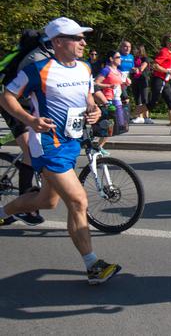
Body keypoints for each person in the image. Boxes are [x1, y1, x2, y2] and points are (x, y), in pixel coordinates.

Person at [0, 17, 121, 284]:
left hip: (71, 142)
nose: (83, 42)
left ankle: (2, 213)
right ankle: (93, 267)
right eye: (76, 38)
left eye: (82, 37)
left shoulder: (85, 69)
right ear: (58, 42)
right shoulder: (37, 70)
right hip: (47, 145)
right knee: (78, 201)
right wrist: (31, 120)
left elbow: (87, 98)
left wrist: (94, 110)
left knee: (47, 201)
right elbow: (6, 96)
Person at [0, 31, 55, 227]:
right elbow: (18, 89)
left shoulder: (53, 55)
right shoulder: (36, 58)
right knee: (30, 152)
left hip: (29, 104)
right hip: (12, 102)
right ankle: (26, 207)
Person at [129, 34, 171, 134]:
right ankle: (129, 117)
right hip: (158, 80)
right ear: (167, 42)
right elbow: (154, 65)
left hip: (164, 81)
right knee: (152, 104)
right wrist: (167, 71)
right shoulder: (164, 51)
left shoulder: (170, 53)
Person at [94, 51, 130, 156]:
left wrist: (125, 84)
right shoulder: (106, 70)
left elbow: (119, 85)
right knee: (110, 125)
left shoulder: (118, 71)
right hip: (108, 99)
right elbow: (96, 83)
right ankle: (97, 145)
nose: (120, 59)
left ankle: (98, 145)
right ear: (111, 59)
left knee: (117, 125)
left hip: (117, 99)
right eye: (118, 57)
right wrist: (108, 86)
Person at [129, 43, 153, 124]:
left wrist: (136, 69)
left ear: (140, 50)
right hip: (135, 80)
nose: (134, 51)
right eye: (134, 49)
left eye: (136, 49)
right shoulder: (133, 58)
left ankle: (147, 117)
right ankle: (139, 117)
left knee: (144, 99)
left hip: (143, 80)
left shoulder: (145, 58)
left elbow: (142, 68)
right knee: (137, 98)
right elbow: (130, 68)